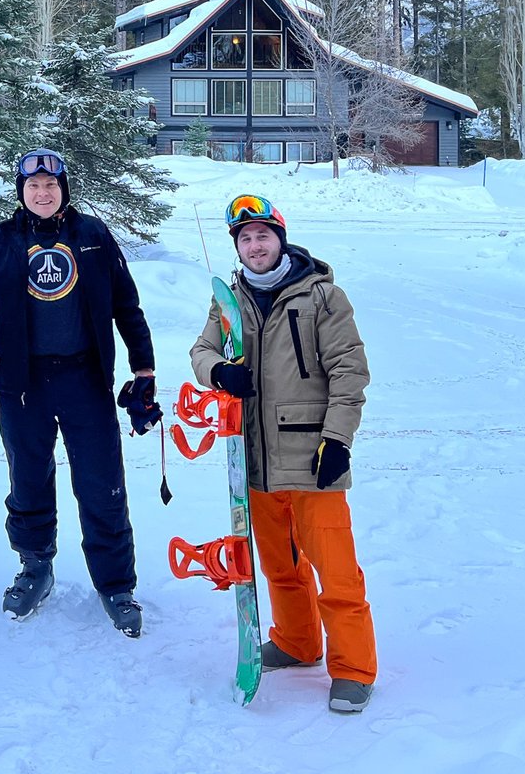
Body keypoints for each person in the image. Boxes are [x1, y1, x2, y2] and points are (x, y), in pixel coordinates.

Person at [0, 148, 162, 638]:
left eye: (51, 185)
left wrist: (144, 366)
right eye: (33, 187)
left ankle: (115, 584)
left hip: (85, 379)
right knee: (28, 480)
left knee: (101, 481)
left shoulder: (91, 235)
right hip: (21, 385)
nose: (42, 193)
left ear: (63, 189)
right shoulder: (1, 240)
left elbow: (126, 304)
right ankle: (35, 568)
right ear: (21, 192)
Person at [189, 194, 377, 713]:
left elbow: (349, 371)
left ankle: (354, 669)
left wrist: (338, 440)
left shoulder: (322, 296)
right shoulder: (229, 300)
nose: (254, 246)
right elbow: (201, 352)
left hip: (315, 457)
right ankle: (297, 643)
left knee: (336, 572)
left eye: (262, 235)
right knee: (280, 568)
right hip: (255, 462)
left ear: (281, 238)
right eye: (245, 238)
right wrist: (217, 372)